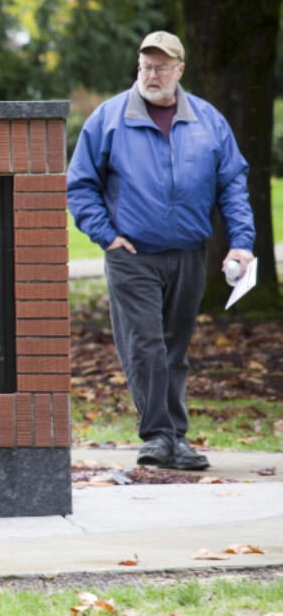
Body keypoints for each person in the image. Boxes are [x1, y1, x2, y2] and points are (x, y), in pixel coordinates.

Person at [67, 30, 255, 471]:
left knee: (174, 349)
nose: (152, 75)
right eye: (146, 66)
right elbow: (80, 185)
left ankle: (171, 438)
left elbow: (232, 184)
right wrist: (107, 236)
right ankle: (161, 436)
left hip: (189, 254)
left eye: (161, 67)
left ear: (179, 71)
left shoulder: (208, 121)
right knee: (147, 345)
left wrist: (242, 243)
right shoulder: (109, 118)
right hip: (133, 254)